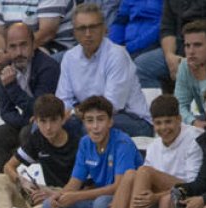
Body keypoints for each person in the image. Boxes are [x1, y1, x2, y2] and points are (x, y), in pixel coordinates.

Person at [0, 94, 82, 208]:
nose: (48, 127)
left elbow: (83, 187)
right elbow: (9, 166)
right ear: (35, 120)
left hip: (68, 196)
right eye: (43, 121)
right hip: (44, 193)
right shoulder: (37, 139)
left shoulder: (77, 142)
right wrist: (22, 181)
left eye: (53, 120)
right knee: (0, 180)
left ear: (63, 119)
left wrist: (51, 194)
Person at [39, 95, 142, 208]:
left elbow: (117, 186)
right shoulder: (85, 143)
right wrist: (59, 195)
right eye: (89, 120)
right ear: (84, 123)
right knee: (49, 206)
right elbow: (74, 183)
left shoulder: (122, 143)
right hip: (98, 198)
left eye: (100, 119)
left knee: (100, 203)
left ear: (110, 121)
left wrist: (75, 197)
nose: (95, 126)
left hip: (125, 200)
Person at [102, 93, 203, 208]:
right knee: (131, 174)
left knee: (145, 171)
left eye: (168, 122)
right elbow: (144, 185)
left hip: (187, 195)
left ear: (179, 120)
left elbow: (194, 184)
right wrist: (123, 198)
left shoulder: (194, 138)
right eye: (158, 123)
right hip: (159, 197)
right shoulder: (153, 146)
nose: (163, 128)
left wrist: (156, 197)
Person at [56, 3, 152, 138]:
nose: (88, 34)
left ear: (104, 29)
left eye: (93, 27)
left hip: (132, 120)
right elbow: (63, 100)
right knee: (49, 127)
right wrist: (63, 115)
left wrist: (75, 112)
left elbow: (111, 106)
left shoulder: (117, 55)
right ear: (74, 33)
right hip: (89, 117)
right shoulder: (69, 57)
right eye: (82, 28)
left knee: (90, 129)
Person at [0, 22, 61, 169]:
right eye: (13, 47)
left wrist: (12, 87)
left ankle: (31, 184)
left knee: (28, 133)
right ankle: (3, 183)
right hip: (28, 122)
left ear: (33, 45)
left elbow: (40, 108)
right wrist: (26, 121)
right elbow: (5, 112)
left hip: (50, 122)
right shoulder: (6, 69)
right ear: (6, 49)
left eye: (23, 45)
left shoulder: (48, 67)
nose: (19, 52)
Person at [0, 0, 71, 90]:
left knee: (32, 60)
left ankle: (34, 112)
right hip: (12, 48)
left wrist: (9, 56)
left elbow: (46, 33)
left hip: (51, 47)